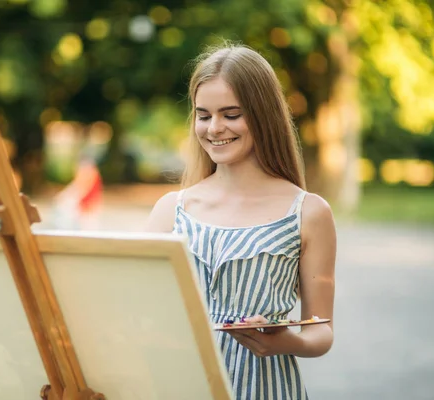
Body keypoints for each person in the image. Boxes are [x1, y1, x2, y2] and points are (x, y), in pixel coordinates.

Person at [145, 43, 336, 399]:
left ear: (263, 114)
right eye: (203, 115)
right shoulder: (170, 210)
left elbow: (321, 331)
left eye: (231, 114)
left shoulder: (309, 212)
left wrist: (284, 341)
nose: (215, 128)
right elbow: (140, 312)